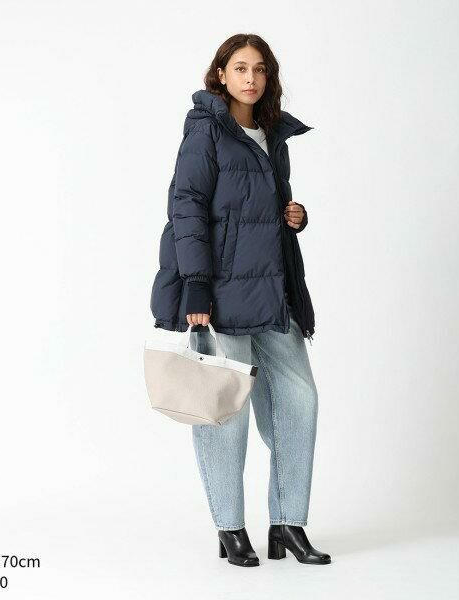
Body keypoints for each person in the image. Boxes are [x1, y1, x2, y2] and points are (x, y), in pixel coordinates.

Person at [150, 33, 330, 567]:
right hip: (222, 292)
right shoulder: (205, 129)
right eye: (240, 68)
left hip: (273, 290)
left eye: (260, 69)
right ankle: (230, 528)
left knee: (299, 401)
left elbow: (257, 208)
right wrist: (196, 284)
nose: (251, 78)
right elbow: (186, 205)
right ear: (221, 75)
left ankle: (288, 523)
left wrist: (293, 216)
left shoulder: (272, 132)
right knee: (224, 411)